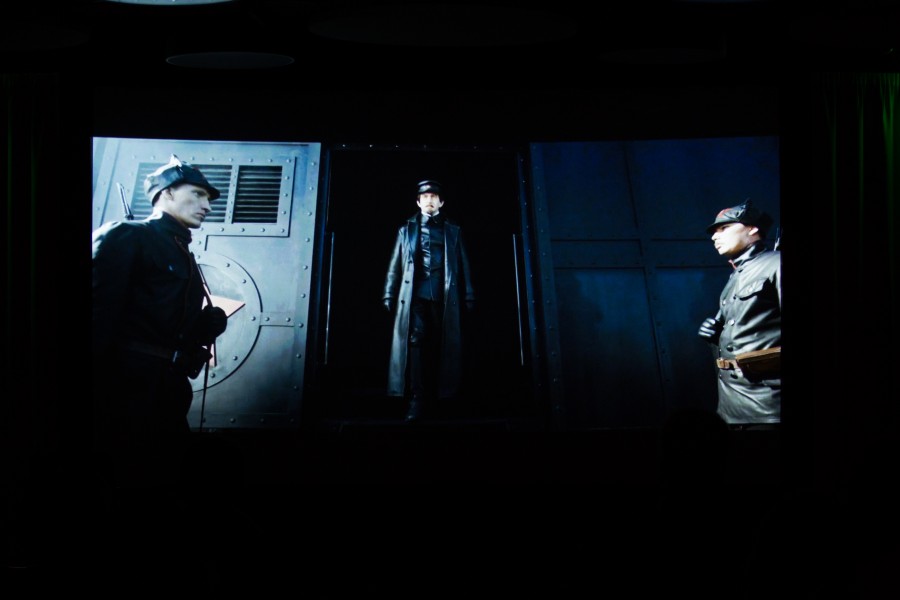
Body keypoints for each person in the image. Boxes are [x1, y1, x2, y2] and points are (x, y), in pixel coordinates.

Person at [92, 154, 228, 489]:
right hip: (124, 392)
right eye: (198, 194)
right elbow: (96, 316)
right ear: (167, 193)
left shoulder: (183, 254)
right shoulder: (127, 235)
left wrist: (204, 327)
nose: (207, 206)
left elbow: (167, 326)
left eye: (208, 199)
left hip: (167, 392)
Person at [383, 180, 475, 423]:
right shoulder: (405, 230)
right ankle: (417, 398)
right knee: (416, 342)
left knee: (443, 344)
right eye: (424, 196)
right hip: (415, 296)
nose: (429, 200)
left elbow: (464, 263)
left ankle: (444, 397)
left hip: (445, 296)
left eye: (434, 196)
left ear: (441, 202)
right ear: (418, 202)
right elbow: (395, 264)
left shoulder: (453, 229)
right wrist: (389, 293)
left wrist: (469, 293)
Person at [697, 199, 781, 429]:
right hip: (732, 408)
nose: (715, 237)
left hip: (769, 405)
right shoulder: (736, 275)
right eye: (714, 232)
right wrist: (717, 336)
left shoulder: (775, 264)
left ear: (752, 228)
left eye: (724, 228)